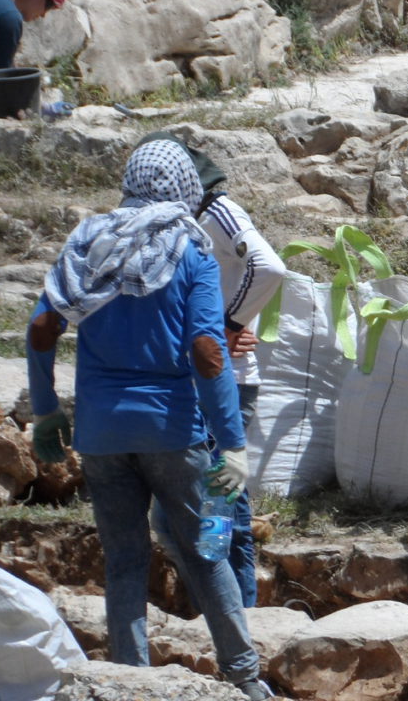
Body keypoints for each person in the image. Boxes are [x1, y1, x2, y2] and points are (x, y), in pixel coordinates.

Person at [26, 139, 276, 701]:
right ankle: (244, 676)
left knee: (124, 558)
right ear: (186, 186)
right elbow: (209, 352)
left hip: (100, 433)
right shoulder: (192, 247)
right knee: (206, 549)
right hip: (172, 430)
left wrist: (46, 412)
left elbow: (43, 327)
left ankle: (131, 681)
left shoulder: (90, 239)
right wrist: (232, 443)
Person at [138, 130, 287, 610]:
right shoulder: (175, 223)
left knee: (218, 512)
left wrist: (227, 324)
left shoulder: (216, 212)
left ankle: (237, 613)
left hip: (227, 385)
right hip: (197, 383)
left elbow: (268, 267)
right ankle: (224, 612)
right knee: (193, 513)